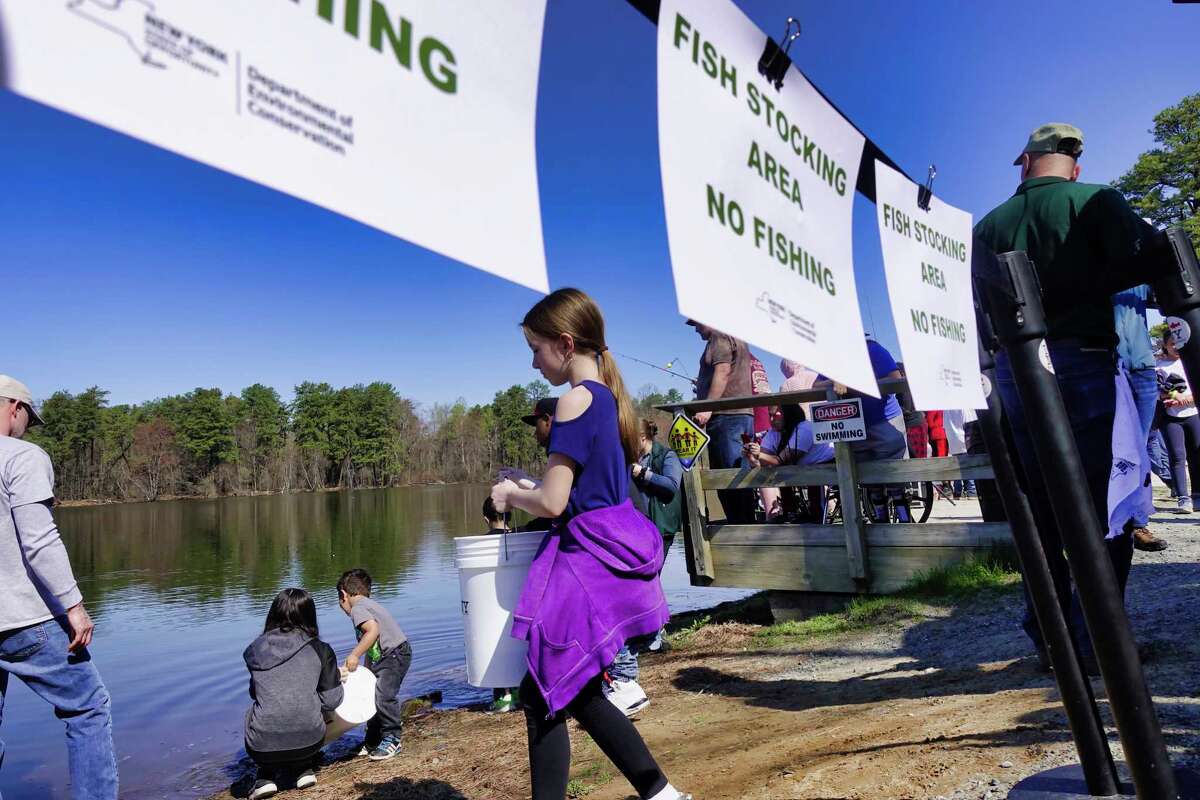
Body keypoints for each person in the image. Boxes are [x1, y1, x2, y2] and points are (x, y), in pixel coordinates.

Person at [490, 288, 690, 800]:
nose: (533, 362)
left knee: (545, 691)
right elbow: (585, 494)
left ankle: (659, 792)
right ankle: (660, 792)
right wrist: (531, 486)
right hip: (605, 545)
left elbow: (557, 505)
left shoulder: (573, 401)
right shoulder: (607, 399)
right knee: (569, 689)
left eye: (535, 348)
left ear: (563, 342)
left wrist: (513, 493)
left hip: (584, 562)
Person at [974, 122, 1158, 672]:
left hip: (1015, 371)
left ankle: (1051, 637)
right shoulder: (1096, 200)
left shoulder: (988, 226)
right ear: (1074, 166)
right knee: (1106, 503)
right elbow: (1148, 261)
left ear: (1024, 163)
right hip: (1084, 361)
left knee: (1041, 507)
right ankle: (1097, 639)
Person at [0, 375, 119, 800]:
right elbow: (38, 539)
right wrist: (73, 605)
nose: (25, 429)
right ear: (15, 406)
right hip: (21, 618)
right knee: (88, 707)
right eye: (28, 420)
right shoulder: (20, 457)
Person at [243, 588, 344, 799]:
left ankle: (265, 777)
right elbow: (332, 701)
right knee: (311, 708)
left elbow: (256, 694)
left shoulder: (255, 649)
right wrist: (333, 678)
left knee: (253, 712)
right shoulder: (321, 649)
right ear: (310, 615)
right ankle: (304, 769)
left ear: (273, 613)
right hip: (310, 742)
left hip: (262, 748)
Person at [814, 337, 910, 522]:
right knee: (871, 482)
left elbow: (894, 378)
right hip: (855, 426)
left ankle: (906, 525)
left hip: (885, 421)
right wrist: (835, 381)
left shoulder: (872, 349)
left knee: (895, 481)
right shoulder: (832, 355)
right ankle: (881, 526)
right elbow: (816, 385)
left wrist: (849, 384)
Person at [336, 568, 412, 761]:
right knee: (374, 695)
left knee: (384, 696)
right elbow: (374, 645)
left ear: (344, 594)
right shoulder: (368, 604)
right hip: (389, 655)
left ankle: (392, 739)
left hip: (394, 655)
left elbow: (373, 631)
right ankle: (372, 741)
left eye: (339, 600)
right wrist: (367, 669)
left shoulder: (358, 608)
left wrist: (354, 655)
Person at [1114, 286, 1169, 549]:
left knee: (1142, 446)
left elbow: (1166, 300)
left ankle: (1138, 524)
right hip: (1107, 364)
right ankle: (1113, 520)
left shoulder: (1139, 278)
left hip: (1143, 366)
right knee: (1114, 447)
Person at [687, 319, 755, 523]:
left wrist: (707, 407)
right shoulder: (735, 333)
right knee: (739, 473)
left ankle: (739, 527)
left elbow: (723, 371)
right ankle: (743, 525)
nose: (696, 329)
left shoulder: (719, 335)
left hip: (727, 417)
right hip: (740, 415)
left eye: (697, 324)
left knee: (728, 476)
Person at [746, 404, 834, 521]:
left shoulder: (804, 428)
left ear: (788, 415)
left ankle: (817, 517)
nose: (771, 420)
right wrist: (752, 457)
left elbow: (778, 460)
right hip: (802, 467)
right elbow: (763, 463)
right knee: (781, 471)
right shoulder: (773, 433)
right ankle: (789, 512)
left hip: (826, 463)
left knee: (809, 473)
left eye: (776, 416)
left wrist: (759, 455)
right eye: (770, 416)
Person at [482, 498, 522, 713]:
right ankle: (518, 692)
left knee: (493, 645)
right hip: (520, 606)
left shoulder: (479, 544)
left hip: (490, 606)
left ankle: (502, 698)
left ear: (486, 519)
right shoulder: (522, 537)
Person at [1157, 333, 1200, 514]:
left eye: (1178, 343)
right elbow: (1158, 391)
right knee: (1177, 457)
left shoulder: (1191, 361)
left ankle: (1197, 495)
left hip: (1193, 414)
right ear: (1165, 345)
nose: (1175, 346)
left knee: (1196, 454)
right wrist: (1175, 396)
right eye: (1171, 343)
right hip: (1170, 418)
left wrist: (1188, 398)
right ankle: (1183, 498)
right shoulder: (1158, 365)